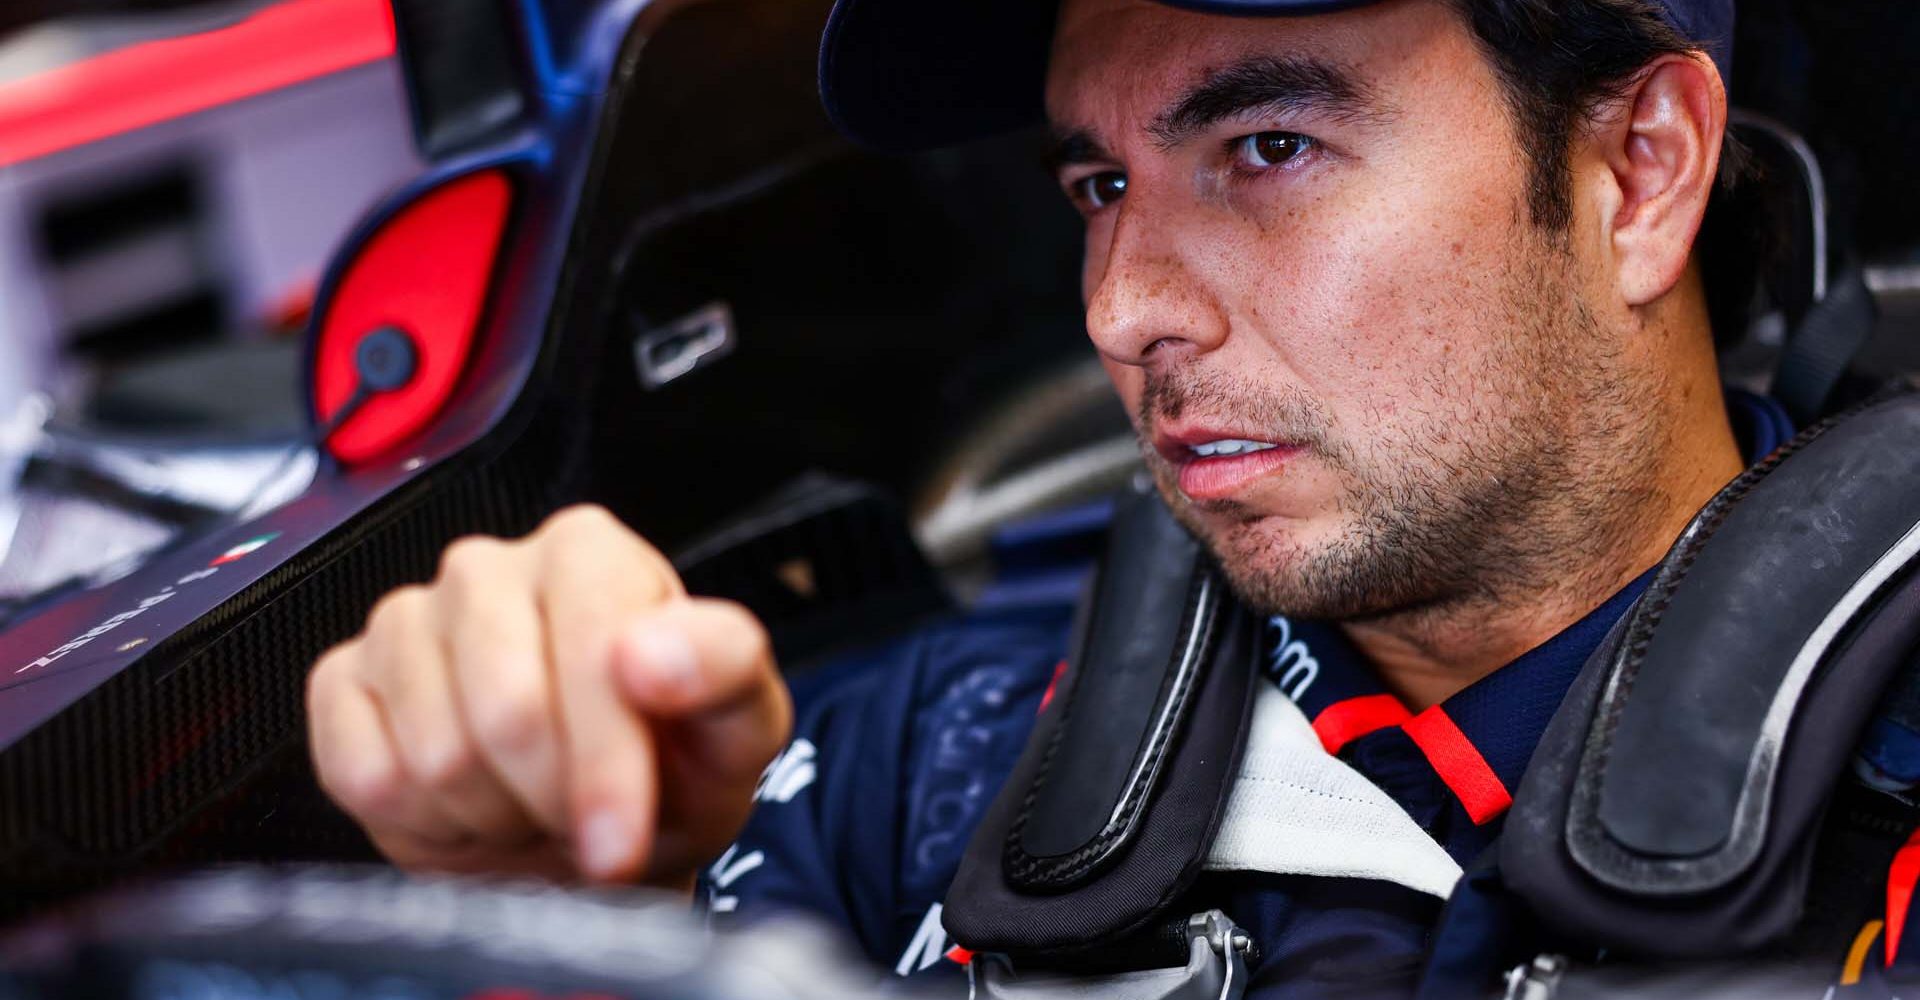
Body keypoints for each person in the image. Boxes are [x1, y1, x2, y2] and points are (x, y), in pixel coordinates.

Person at [305, 0, 1803, 993]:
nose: (1121, 308)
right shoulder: (929, 773)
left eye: (1269, 147)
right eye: (1099, 187)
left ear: (1639, 172)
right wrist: (569, 905)